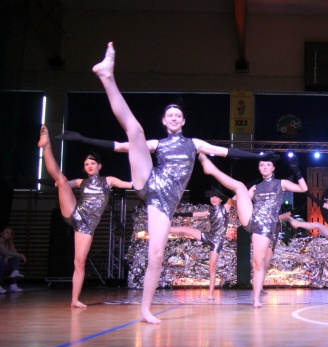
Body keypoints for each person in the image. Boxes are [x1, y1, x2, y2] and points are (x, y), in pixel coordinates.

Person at [89, 43, 275, 323]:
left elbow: (227, 151)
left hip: (164, 202)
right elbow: (122, 146)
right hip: (149, 182)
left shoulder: (195, 143)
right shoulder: (158, 143)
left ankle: (145, 310)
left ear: (183, 121)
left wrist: (259, 155)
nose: (174, 118)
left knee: (156, 254)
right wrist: (85, 140)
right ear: (164, 121)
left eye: (178, 115)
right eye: (170, 115)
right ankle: (107, 76)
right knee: (135, 130)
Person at [196, 153, 308, 308]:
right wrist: (238, 197)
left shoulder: (280, 183)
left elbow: (303, 188)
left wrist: (297, 171)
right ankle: (212, 169)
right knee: (240, 186)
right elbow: (238, 204)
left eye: (268, 165)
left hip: (264, 226)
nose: (265, 167)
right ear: (259, 168)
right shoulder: (256, 187)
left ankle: (256, 299)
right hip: (250, 218)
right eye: (262, 165)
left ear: (273, 168)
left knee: (257, 263)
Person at [38, 128, 132, 307]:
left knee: (79, 262)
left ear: (99, 166)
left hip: (86, 225)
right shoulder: (80, 182)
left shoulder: (109, 181)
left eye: (92, 163)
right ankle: (46, 146)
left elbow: (130, 184)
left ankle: (74, 300)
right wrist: (49, 182)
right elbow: (58, 183)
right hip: (74, 212)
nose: (89, 166)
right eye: (86, 164)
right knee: (62, 180)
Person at [170, 188, 233, 300]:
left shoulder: (225, 208)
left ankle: (211, 294)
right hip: (208, 236)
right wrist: (175, 214)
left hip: (217, 242)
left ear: (220, 199)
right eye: (212, 197)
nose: (213, 199)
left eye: (216, 197)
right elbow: (193, 214)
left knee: (211, 267)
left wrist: (252, 189)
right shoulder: (210, 211)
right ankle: (161, 227)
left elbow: (236, 197)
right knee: (185, 229)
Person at [0, 226, 27, 293]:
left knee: (15, 258)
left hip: (4, 263)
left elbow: (14, 252)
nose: (9, 234)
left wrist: (7, 257)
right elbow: (4, 251)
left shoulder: (9, 242)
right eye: (7, 232)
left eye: (10, 233)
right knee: (0, 259)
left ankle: (13, 285)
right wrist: (20, 255)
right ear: (1, 233)